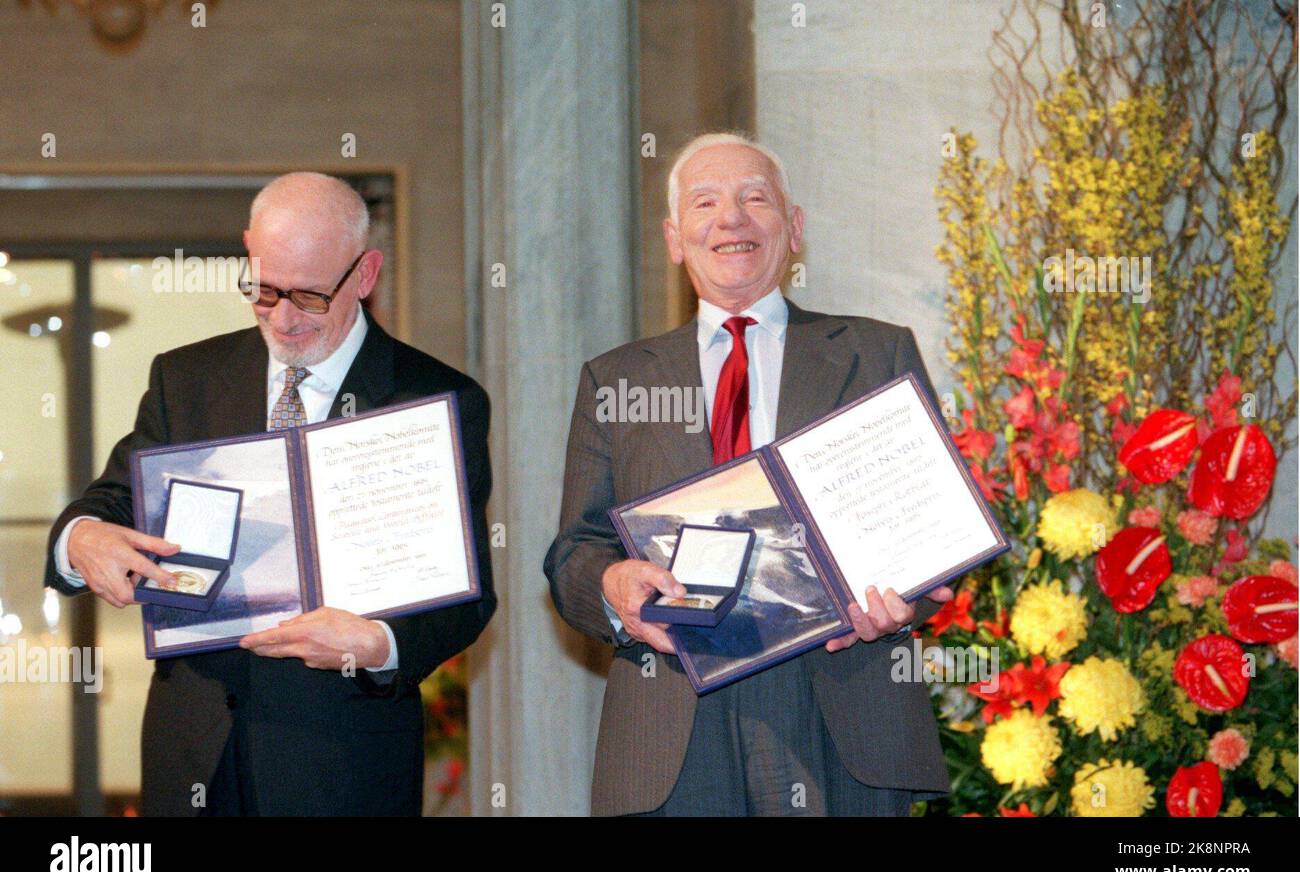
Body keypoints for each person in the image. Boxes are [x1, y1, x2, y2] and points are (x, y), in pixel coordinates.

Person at [44, 172, 495, 816]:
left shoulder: (431, 400)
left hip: (341, 761)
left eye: (310, 296)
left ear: (365, 275)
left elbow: (467, 598)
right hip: (194, 753)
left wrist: (379, 645)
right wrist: (79, 538)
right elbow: (114, 502)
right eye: (263, 289)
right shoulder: (188, 377)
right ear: (248, 251)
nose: (282, 318)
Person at [544, 133, 954, 816]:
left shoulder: (876, 352)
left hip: (843, 694)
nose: (730, 218)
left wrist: (909, 593)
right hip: (674, 714)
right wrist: (613, 585)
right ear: (676, 239)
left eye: (754, 198)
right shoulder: (615, 379)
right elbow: (572, 555)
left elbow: (934, 520)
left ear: (793, 229)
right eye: (706, 202)